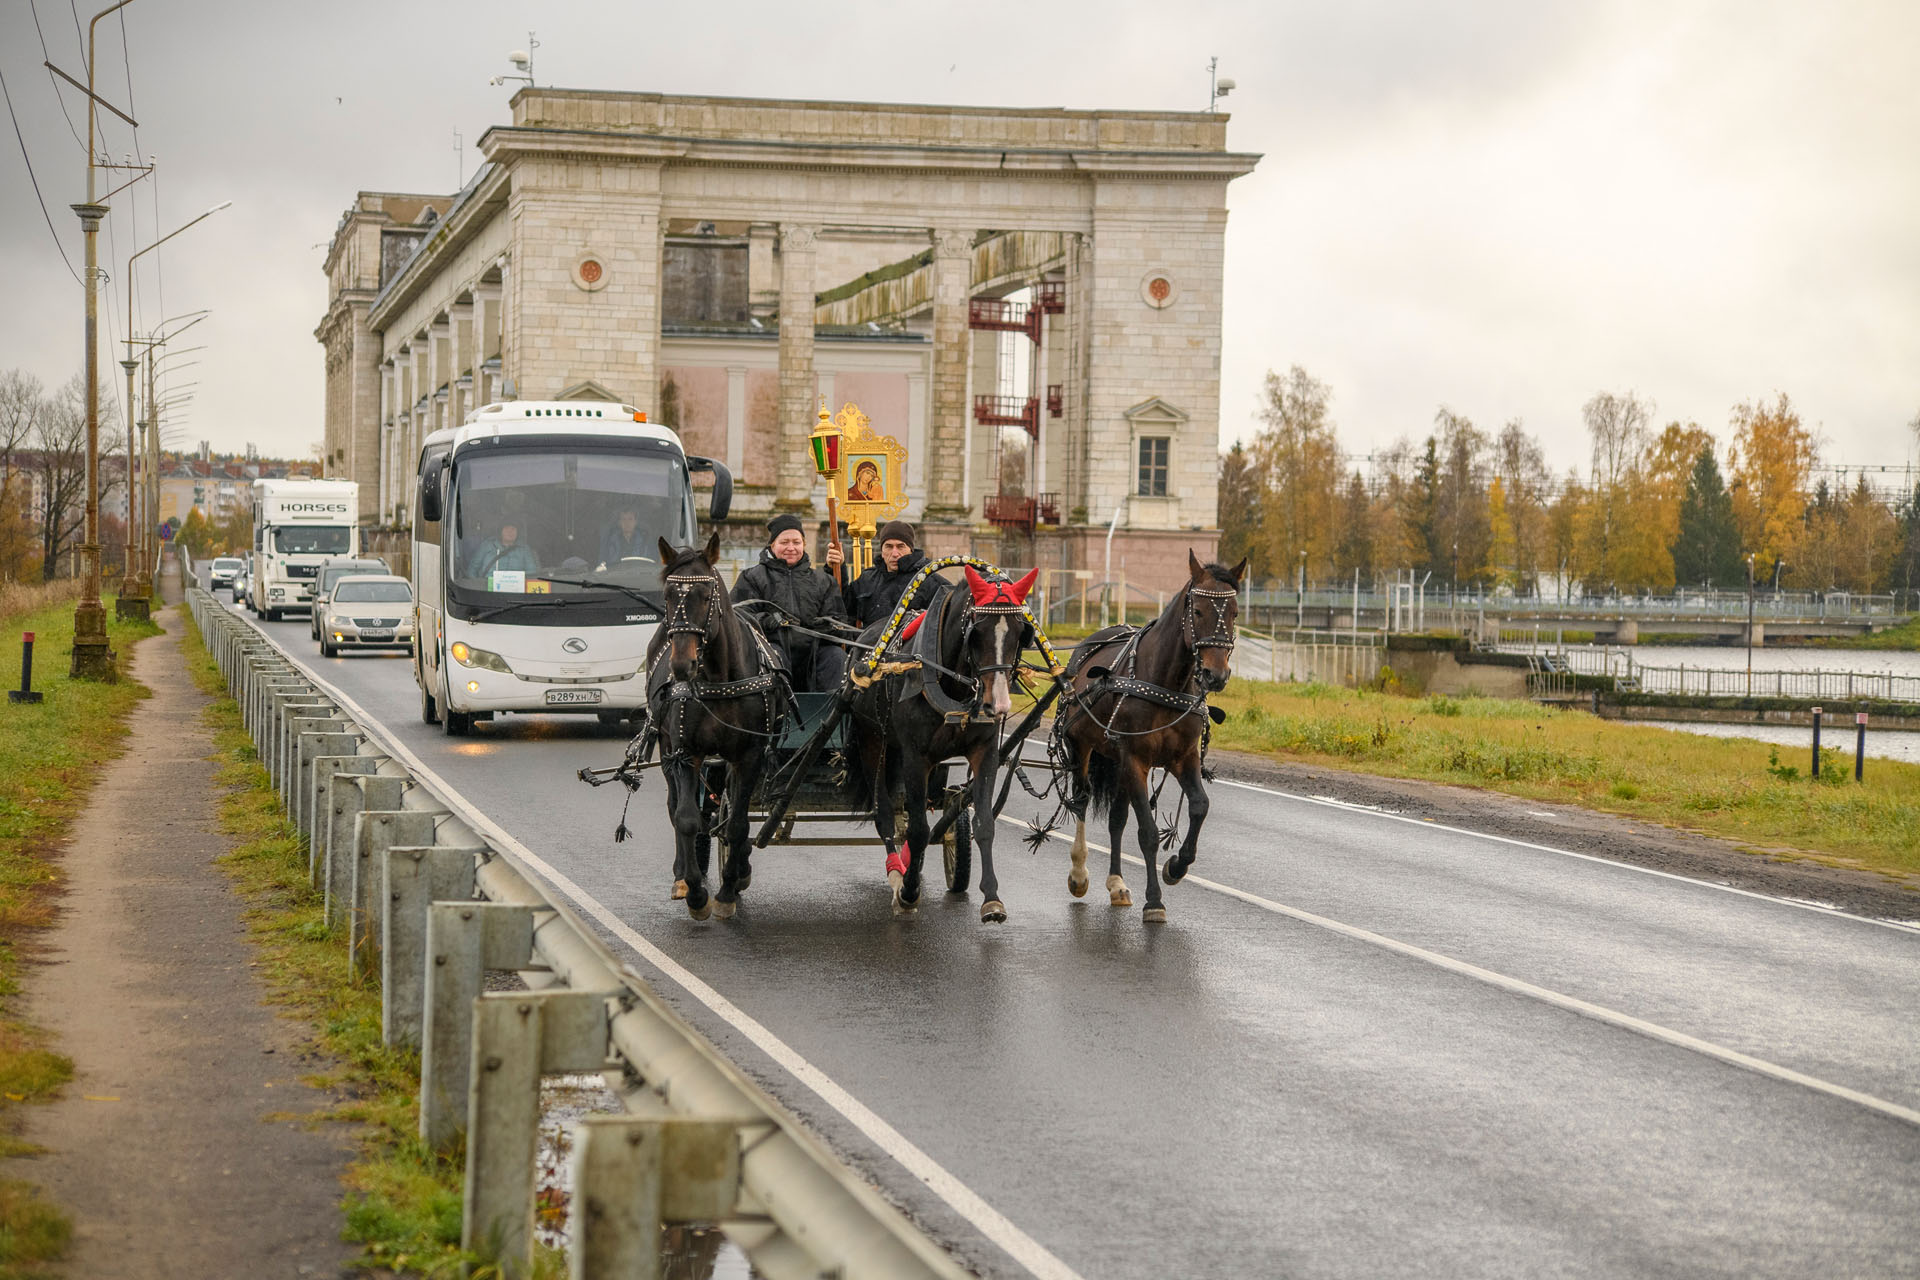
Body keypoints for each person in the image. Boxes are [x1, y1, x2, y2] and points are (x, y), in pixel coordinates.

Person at [730, 513, 849, 691]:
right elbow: (738, 615)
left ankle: (831, 707)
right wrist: (768, 621)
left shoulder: (823, 580)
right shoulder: (752, 577)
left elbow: (839, 620)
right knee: (773, 656)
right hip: (772, 649)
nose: (791, 548)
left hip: (814, 656)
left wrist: (823, 625)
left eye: (796, 542)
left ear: (804, 545)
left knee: (836, 656)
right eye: (784, 542)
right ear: (772, 545)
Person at [843, 520, 938, 630]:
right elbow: (843, 607)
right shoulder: (867, 579)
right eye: (889, 546)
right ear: (882, 551)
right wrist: (837, 567)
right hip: (868, 639)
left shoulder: (929, 582)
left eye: (900, 546)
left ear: (910, 550)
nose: (894, 553)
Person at [467, 521, 541, 580]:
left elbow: (532, 573)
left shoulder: (524, 549)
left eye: (513, 529)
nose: (510, 532)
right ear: (500, 531)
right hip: (486, 589)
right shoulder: (487, 545)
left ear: (517, 532)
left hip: (516, 590)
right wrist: (478, 586)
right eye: (506, 528)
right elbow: (472, 569)